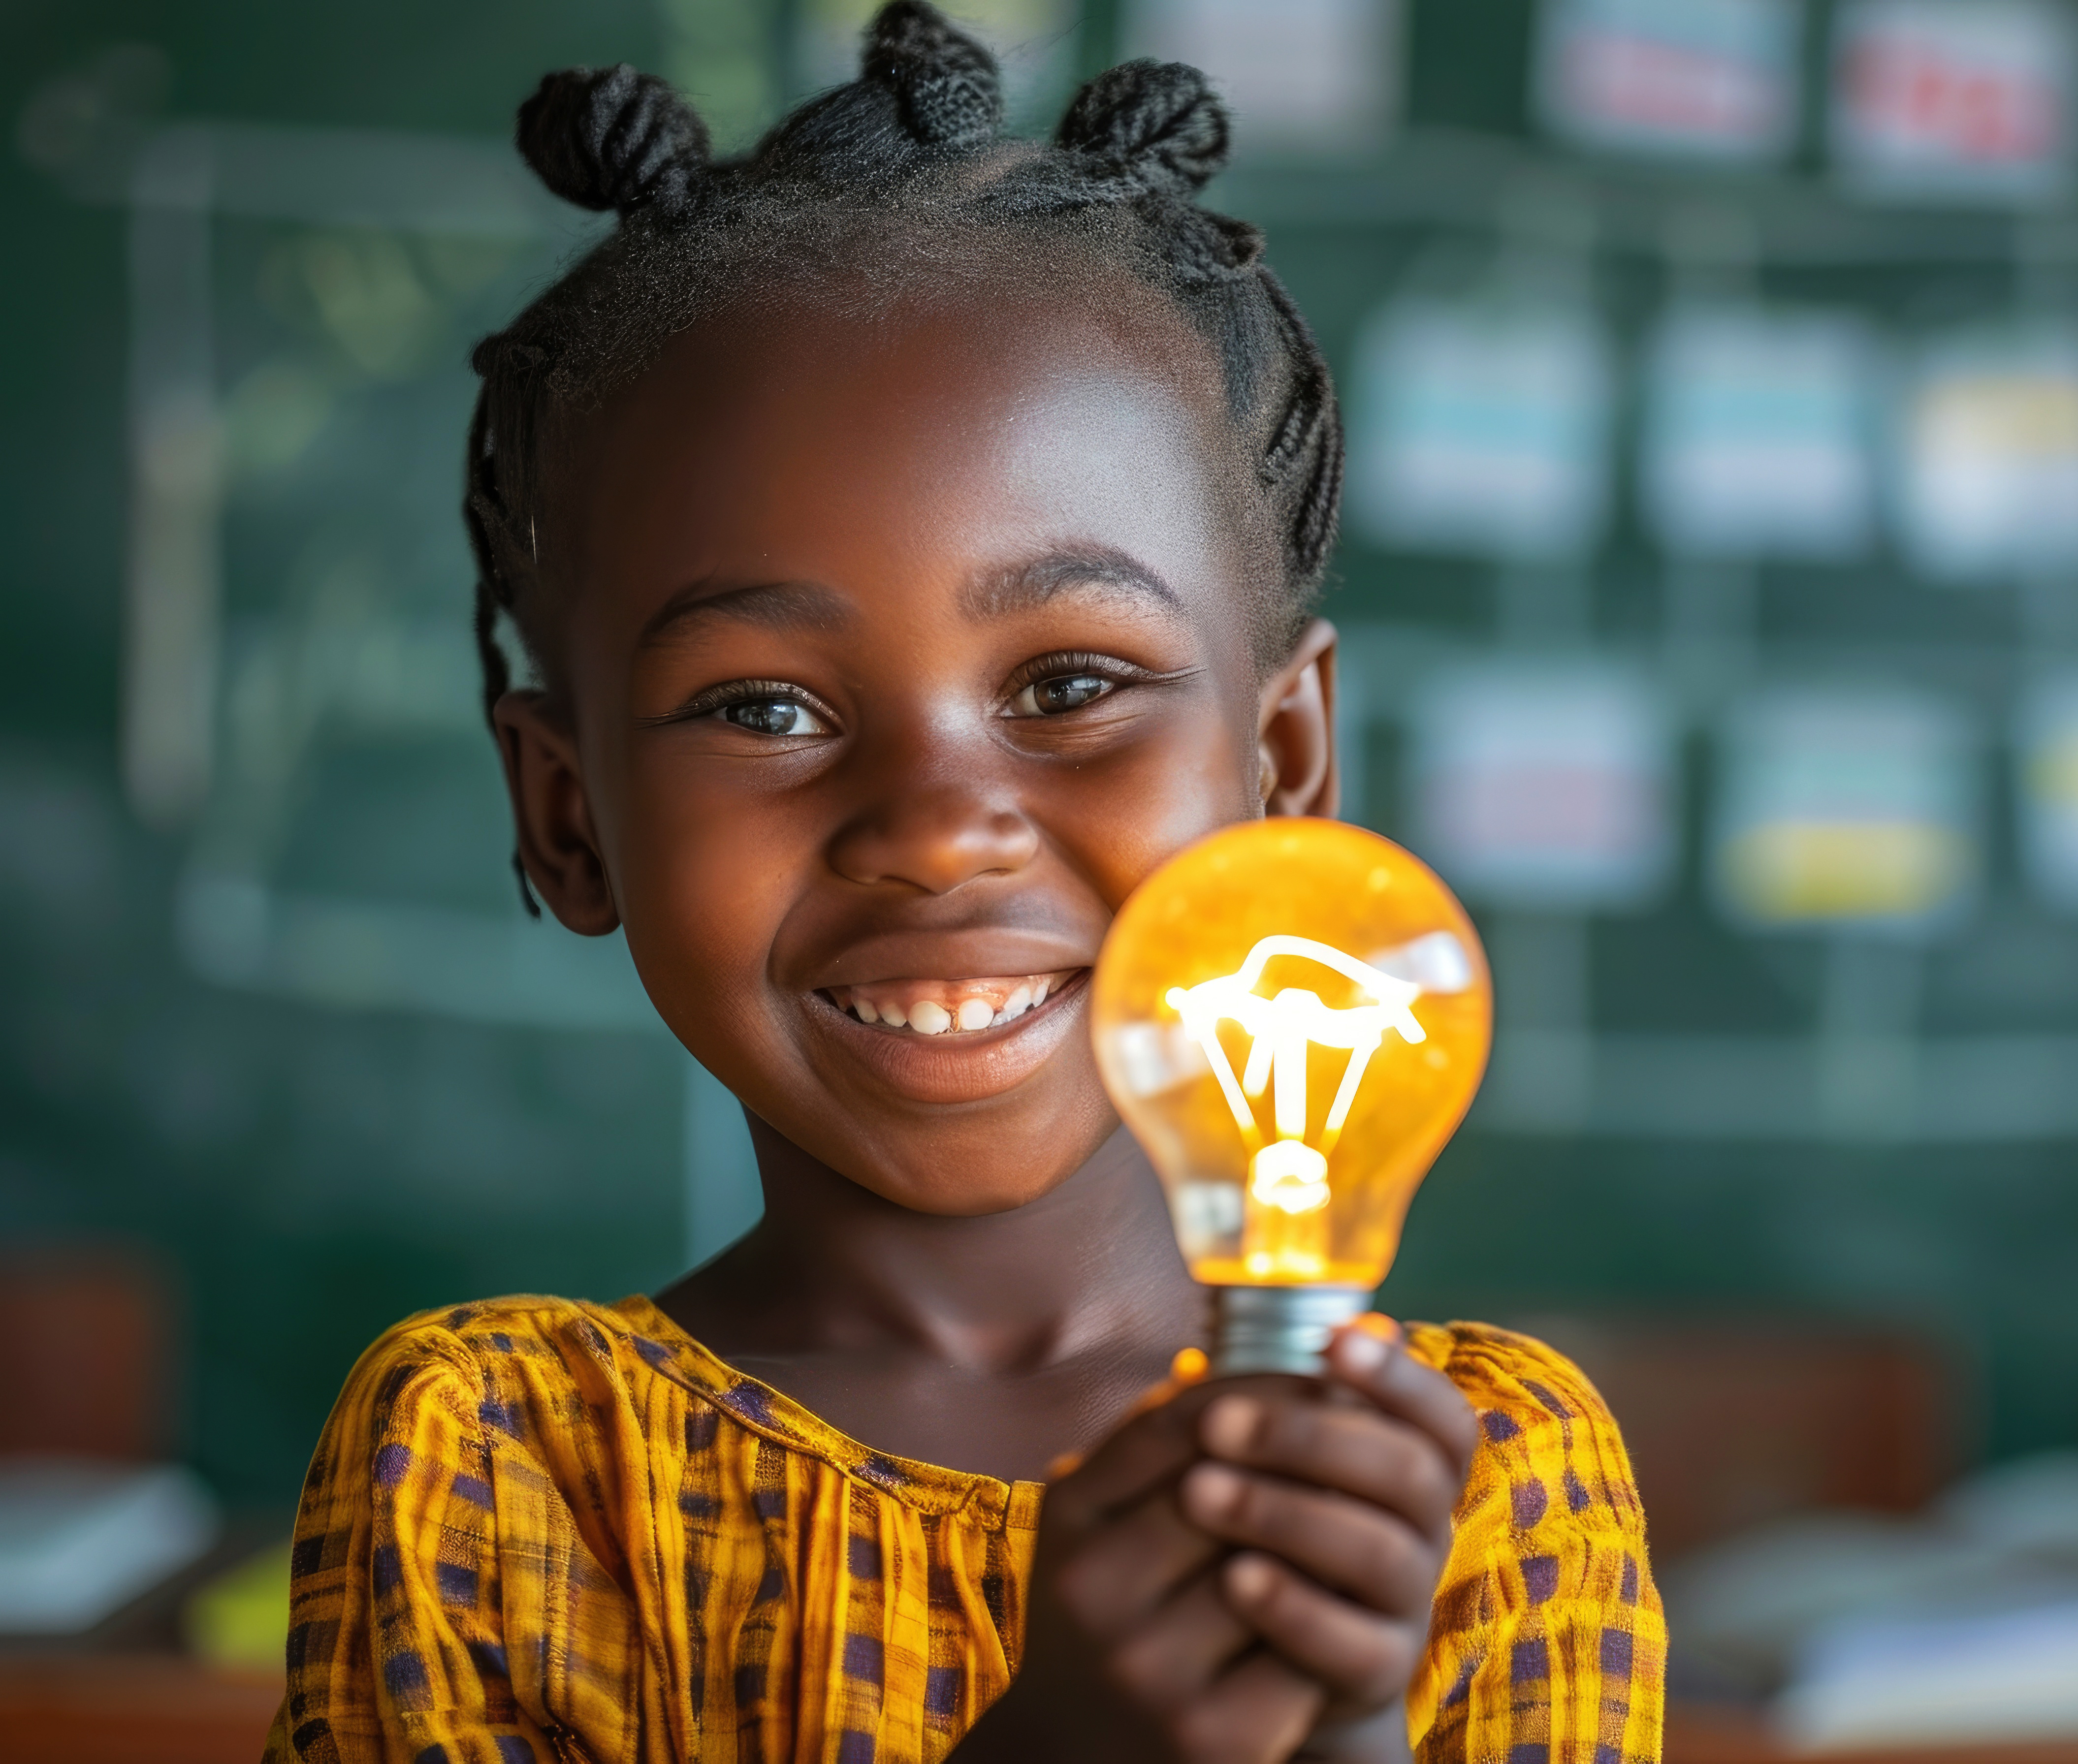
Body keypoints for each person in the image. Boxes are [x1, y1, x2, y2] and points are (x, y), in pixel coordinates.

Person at [265, 8, 1662, 1761]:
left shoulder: (1484, 1484)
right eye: (762, 708)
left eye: (1071, 686)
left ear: (1284, 765)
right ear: (566, 814)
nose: (937, 825)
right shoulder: (501, 1455)